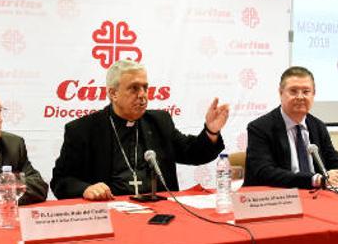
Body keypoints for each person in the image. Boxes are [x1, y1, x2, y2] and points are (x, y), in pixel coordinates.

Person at [51, 60, 229, 200]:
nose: (142, 95)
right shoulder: (83, 130)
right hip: (110, 212)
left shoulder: (159, 121)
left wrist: (211, 131)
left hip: (159, 211)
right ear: (113, 93)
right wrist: (86, 189)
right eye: (134, 88)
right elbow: (61, 180)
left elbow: (192, 153)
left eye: (145, 87)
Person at [245, 66, 338, 189]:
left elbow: (332, 160)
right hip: (276, 198)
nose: (300, 97)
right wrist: (315, 179)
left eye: (306, 92)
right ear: (281, 93)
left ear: (314, 94)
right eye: (293, 91)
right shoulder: (260, 128)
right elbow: (265, 172)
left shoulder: (318, 126)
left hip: (316, 196)